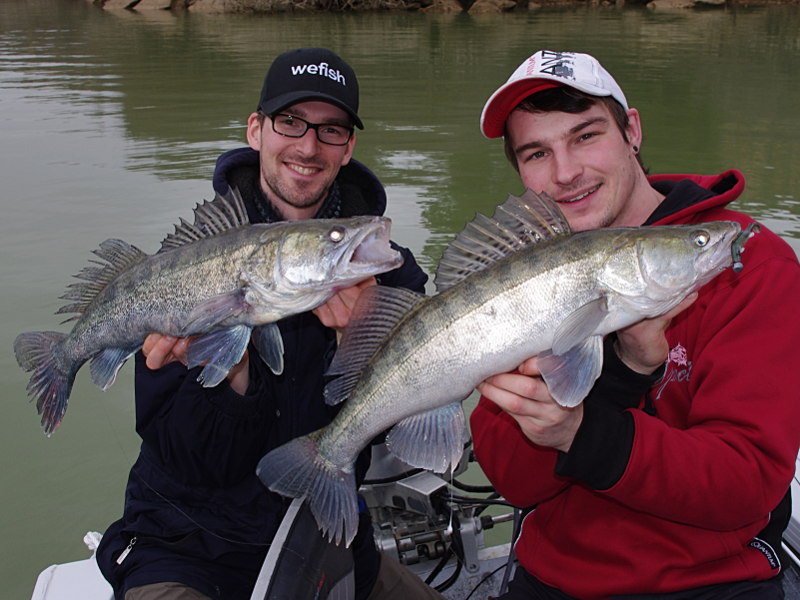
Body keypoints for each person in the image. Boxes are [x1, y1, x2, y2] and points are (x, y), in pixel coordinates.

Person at [96, 47, 444, 600]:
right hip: (185, 546)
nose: (308, 147)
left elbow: (413, 434)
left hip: (328, 541)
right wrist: (230, 382)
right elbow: (184, 458)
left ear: (349, 147)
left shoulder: (388, 275)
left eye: (331, 130)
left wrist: (365, 342)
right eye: (290, 123)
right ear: (257, 129)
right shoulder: (185, 271)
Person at [470, 49, 800, 599]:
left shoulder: (750, 265)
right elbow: (514, 480)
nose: (566, 173)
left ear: (633, 131)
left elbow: (746, 483)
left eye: (585, 135)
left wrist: (582, 430)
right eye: (536, 153)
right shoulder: (522, 278)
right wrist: (611, 382)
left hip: (712, 584)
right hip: (549, 578)